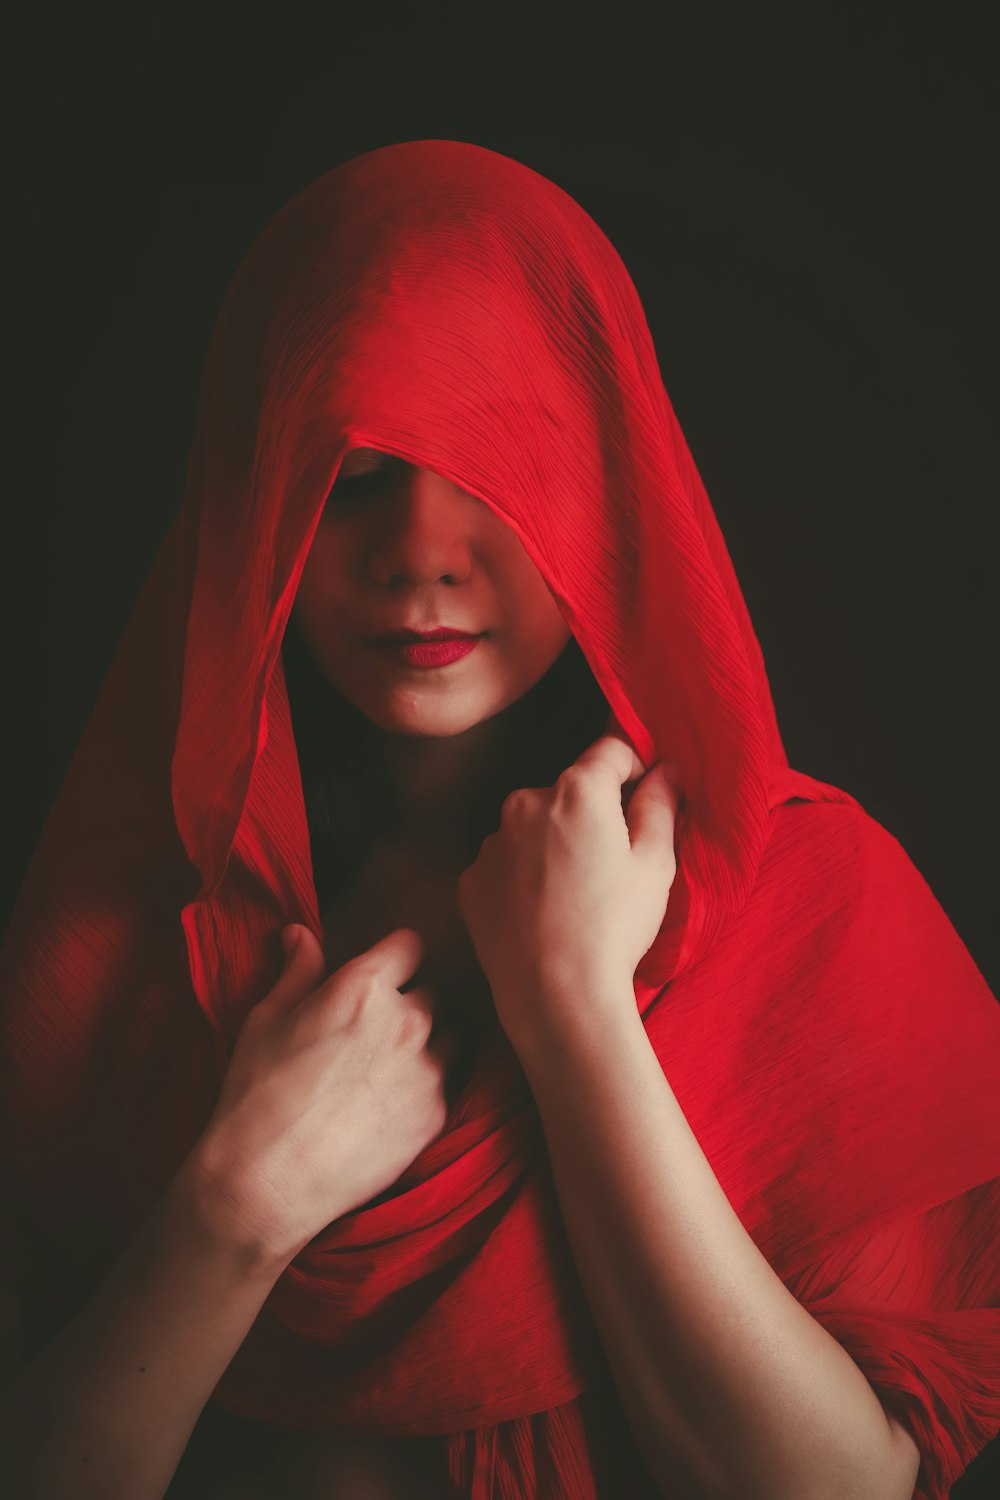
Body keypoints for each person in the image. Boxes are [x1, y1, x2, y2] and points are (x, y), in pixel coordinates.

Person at [1, 138, 997, 1500]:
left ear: (613, 493)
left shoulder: (803, 891)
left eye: (502, 466)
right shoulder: (124, 940)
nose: (421, 548)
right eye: (350, 478)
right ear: (253, 507)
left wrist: (579, 1014)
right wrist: (237, 1207)